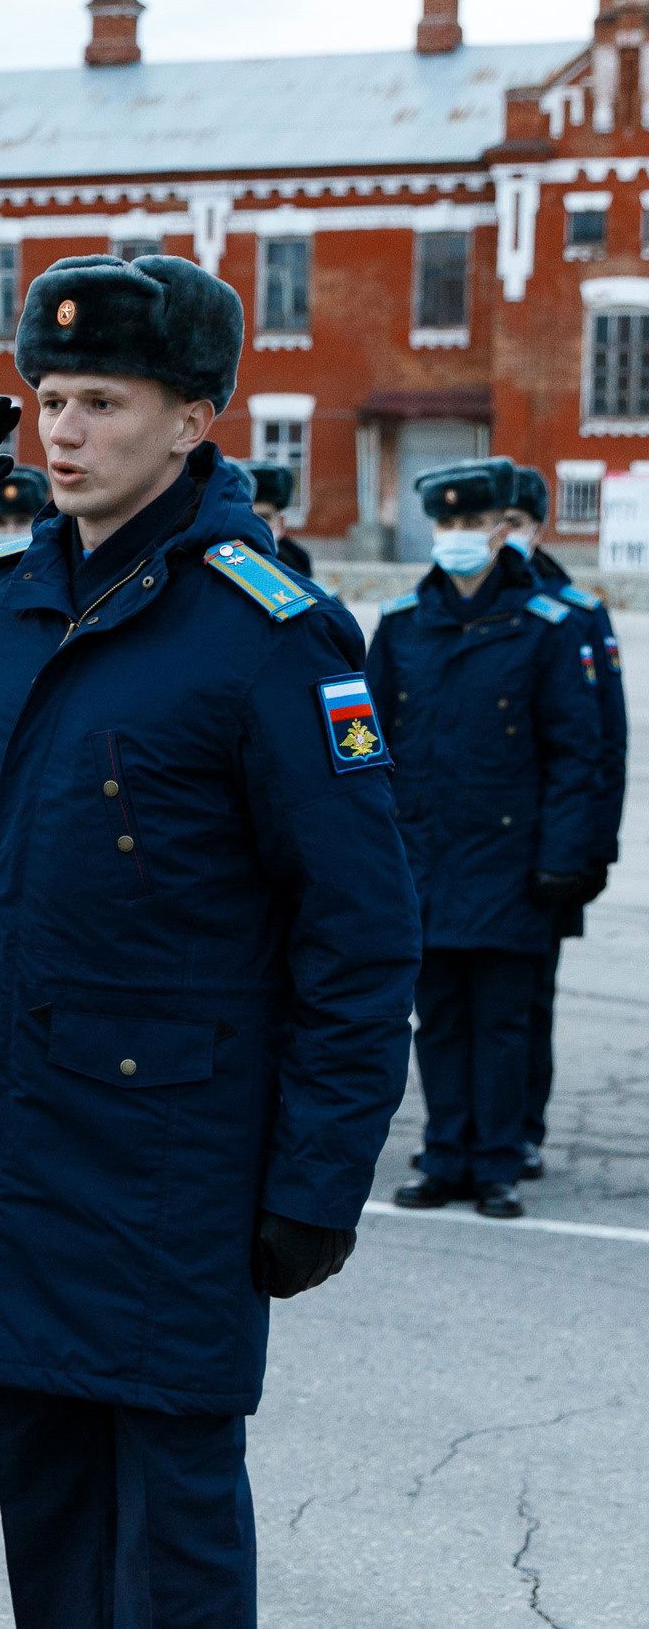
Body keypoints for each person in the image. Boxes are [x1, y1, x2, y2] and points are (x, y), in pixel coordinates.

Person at [0, 252, 419, 1625]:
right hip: (8, 1133)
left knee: (171, 1540)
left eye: (103, 402)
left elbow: (358, 933)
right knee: (51, 1514)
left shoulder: (270, 635)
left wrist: (320, 1178)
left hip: (168, 1165)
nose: (62, 432)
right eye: (48, 399)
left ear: (193, 418)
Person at [369, 458, 599, 1220]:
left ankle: (496, 1161)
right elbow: (366, 747)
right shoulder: (402, 625)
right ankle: (444, 1154)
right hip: (424, 856)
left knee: (502, 1021)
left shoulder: (547, 627)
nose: (458, 538)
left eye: (473, 524)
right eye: (447, 524)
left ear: (505, 531)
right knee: (436, 1018)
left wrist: (566, 856)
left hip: (509, 860)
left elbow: (576, 752)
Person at [502, 463, 627, 1179]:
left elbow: (602, 745)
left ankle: (523, 1127)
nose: (501, 539)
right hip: (472, 847)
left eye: (515, 526)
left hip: (549, 846)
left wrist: (590, 851)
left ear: (537, 528)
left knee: (530, 1000)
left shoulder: (574, 610)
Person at [242, 463, 311, 576]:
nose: (258, 525)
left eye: (264, 517)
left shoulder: (296, 563)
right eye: (250, 517)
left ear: (279, 521)